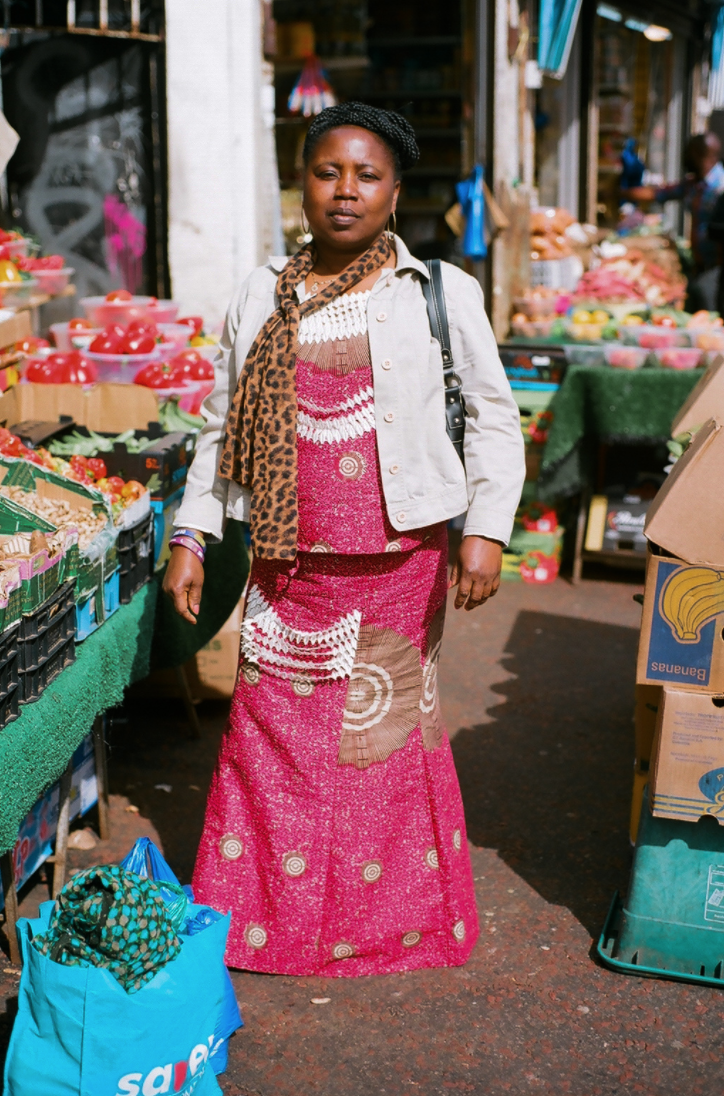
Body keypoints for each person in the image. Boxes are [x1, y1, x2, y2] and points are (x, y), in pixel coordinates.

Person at [163, 102, 525, 978]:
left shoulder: (439, 291)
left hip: (402, 559)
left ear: (395, 191)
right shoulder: (259, 294)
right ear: (303, 183)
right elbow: (219, 427)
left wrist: (486, 531)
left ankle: (378, 928)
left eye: (366, 176)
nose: (345, 192)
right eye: (328, 173)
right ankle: (267, 924)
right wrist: (193, 534)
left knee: (380, 740)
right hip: (287, 563)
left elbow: (493, 416)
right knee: (268, 737)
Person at [624, 132, 724, 309]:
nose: (685, 158)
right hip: (699, 266)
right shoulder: (694, 185)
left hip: (717, 270)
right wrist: (620, 193)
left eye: (690, 152)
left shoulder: (720, 187)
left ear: (702, 155)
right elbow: (659, 193)